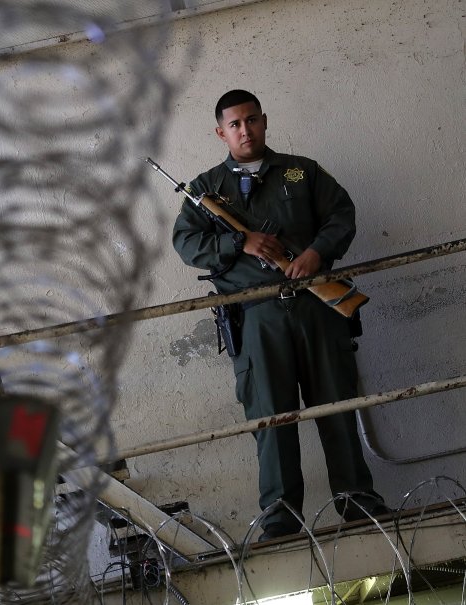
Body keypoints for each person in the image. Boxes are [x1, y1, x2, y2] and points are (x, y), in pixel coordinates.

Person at [172, 89, 388, 540]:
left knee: (338, 407)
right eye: (234, 124)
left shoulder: (302, 171)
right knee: (271, 418)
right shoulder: (204, 189)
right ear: (220, 132)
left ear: (264, 121)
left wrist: (315, 253)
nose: (245, 130)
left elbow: (340, 215)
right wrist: (238, 242)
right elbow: (186, 244)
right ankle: (280, 518)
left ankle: (358, 503)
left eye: (251, 120)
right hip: (256, 317)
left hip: (316, 306)